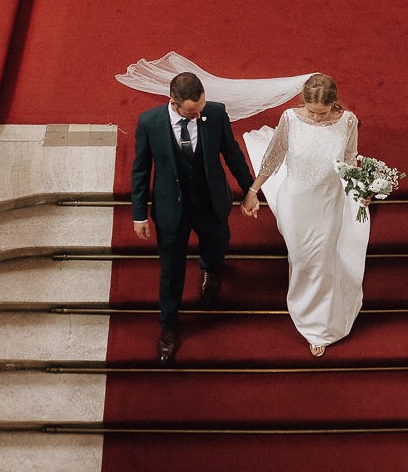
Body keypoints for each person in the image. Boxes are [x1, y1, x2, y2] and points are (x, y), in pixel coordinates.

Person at [131, 72, 256, 363]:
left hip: (210, 201)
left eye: (200, 107)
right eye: (192, 112)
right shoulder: (149, 123)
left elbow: (231, 152)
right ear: (173, 103)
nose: (198, 114)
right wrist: (139, 214)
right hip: (170, 210)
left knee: (218, 242)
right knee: (171, 270)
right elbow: (140, 171)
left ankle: (210, 268)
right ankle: (168, 326)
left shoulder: (215, 112)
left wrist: (249, 188)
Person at [242, 74, 368, 356]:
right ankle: (301, 297)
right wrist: (253, 189)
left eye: (321, 112)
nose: (316, 117)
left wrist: (359, 191)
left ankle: (317, 326)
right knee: (300, 259)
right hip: (296, 204)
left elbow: (349, 159)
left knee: (321, 262)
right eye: (311, 111)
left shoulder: (348, 120)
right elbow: (274, 155)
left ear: (334, 104)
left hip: (328, 204)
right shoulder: (290, 118)